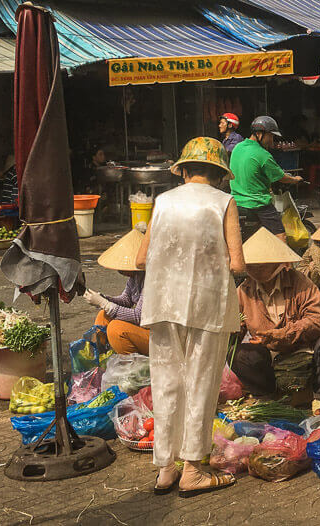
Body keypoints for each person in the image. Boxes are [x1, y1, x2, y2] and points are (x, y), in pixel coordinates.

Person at [135, 136, 245, 497]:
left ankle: (166, 469)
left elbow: (140, 259)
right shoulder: (223, 202)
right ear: (219, 173)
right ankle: (194, 469)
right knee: (201, 382)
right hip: (207, 304)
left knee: (167, 382)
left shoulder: (163, 202)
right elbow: (238, 262)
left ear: (182, 170)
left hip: (162, 303)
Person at [231, 228, 320, 416]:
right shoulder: (243, 291)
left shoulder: (300, 283)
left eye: (262, 265)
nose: (256, 270)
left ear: (276, 264)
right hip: (268, 355)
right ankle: (266, 395)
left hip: (305, 349)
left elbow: (316, 320)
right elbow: (236, 325)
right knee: (238, 354)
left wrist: (282, 333)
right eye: (252, 265)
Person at [229, 116, 303, 240]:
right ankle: (284, 259)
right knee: (281, 236)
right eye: (271, 136)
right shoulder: (263, 155)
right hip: (257, 204)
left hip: (237, 203)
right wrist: (295, 180)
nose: (271, 140)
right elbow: (281, 177)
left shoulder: (238, 148)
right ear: (259, 134)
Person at [84, 229, 150, 355]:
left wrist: (105, 303)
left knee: (116, 329)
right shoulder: (136, 277)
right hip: (144, 327)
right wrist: (103, 298)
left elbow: (138, 316)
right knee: (103, 316)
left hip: (159, 338)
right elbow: (126, 300)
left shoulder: (151, 279)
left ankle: (132, 368)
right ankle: (102, 356)